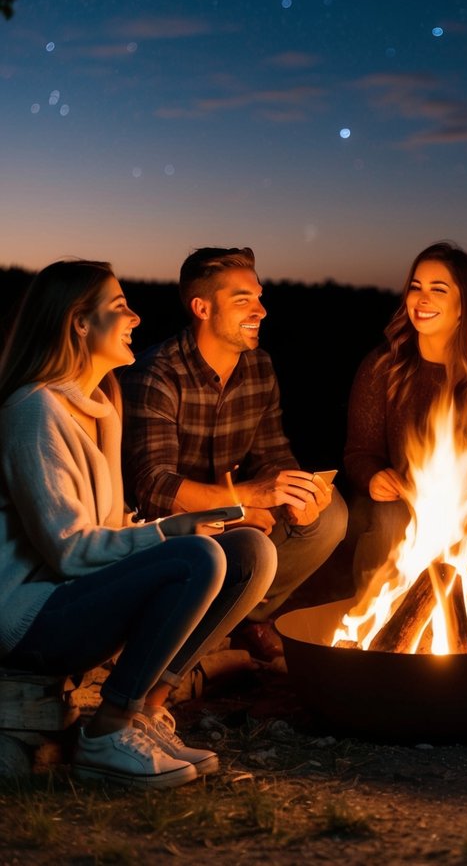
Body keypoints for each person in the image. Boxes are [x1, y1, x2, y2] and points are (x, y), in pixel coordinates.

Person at [0, 260, 278, 789]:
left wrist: (187, 523)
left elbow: (106, 524)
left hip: (78, 595)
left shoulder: (103, 402)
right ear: (80, 323)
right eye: (119, 305)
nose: (135, 315)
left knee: (248, 551)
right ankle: (108, 731)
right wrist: (170, 533)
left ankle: (147, 709)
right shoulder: (34, 412)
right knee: (195, 556)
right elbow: (67, 550)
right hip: (30, 617)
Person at [121, 247, 347, 663]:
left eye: (259, 297)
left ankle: (243, 618)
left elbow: (273, 456)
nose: (260, 310)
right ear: (202, 307)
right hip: (169, 533)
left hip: (235, 520)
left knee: (330, 516)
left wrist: (298, 498)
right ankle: (180, 630)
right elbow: (153, 487)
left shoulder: (258, 367)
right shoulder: (157, 373)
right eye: (243, 300)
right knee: (230, 534)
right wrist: (244, 501)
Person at [344, 241, 467, 587]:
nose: (422, 298)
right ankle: (380, 631)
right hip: (399, 499)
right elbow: (359, 453)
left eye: (438, 289)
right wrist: (373, 476)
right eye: (416, 287)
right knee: (390, 520)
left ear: (464, 305)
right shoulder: (383, 366)